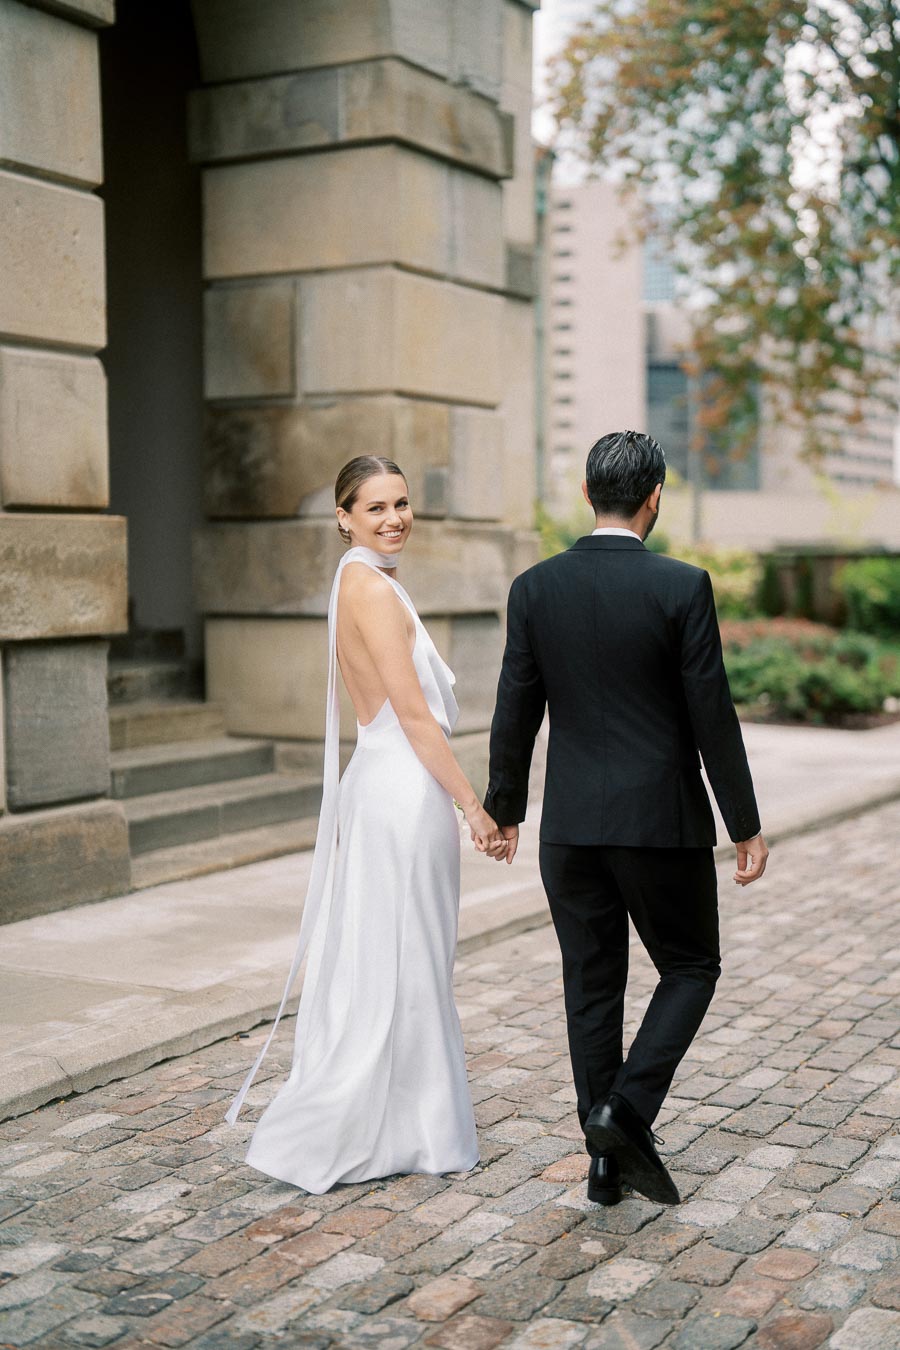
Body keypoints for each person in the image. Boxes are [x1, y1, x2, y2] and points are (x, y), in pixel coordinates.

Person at [483, 430, 768, 1207]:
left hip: (569, 828)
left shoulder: (535, 588)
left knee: (591, 983)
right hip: (659, 826)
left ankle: (604, 1164)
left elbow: (516, 712)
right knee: (691, 967)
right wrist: (744, 822)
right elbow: (714, 716)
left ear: (587, 496)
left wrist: (503, 808)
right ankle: (625, 1110)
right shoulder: (682, 587)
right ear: (654, 498)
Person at [224, 455, 506, 1192]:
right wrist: (472, 806)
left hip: (384, 784)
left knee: (398, 952)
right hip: (402, 790)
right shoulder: (370, 589)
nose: (394, 519)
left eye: (402, 504)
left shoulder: (360, 581)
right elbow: (413, 715)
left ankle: (407, 1119)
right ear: (343, 517)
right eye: (375, 507)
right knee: (408, 954)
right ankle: (397, 1125)